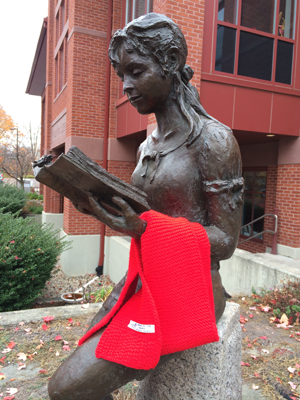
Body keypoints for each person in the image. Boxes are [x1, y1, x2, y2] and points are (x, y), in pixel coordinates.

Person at [48, 13, 244, 400]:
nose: (127, 86)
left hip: (197, 285)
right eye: (122, 75)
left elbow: (224, 240)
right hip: (144, 277)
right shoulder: (145, 146)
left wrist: (142, 229)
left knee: (65, 389)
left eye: (136, 71)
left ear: (170, 62)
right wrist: (101, 208)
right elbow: (147, 218)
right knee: (76, 375)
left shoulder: (214, 141)